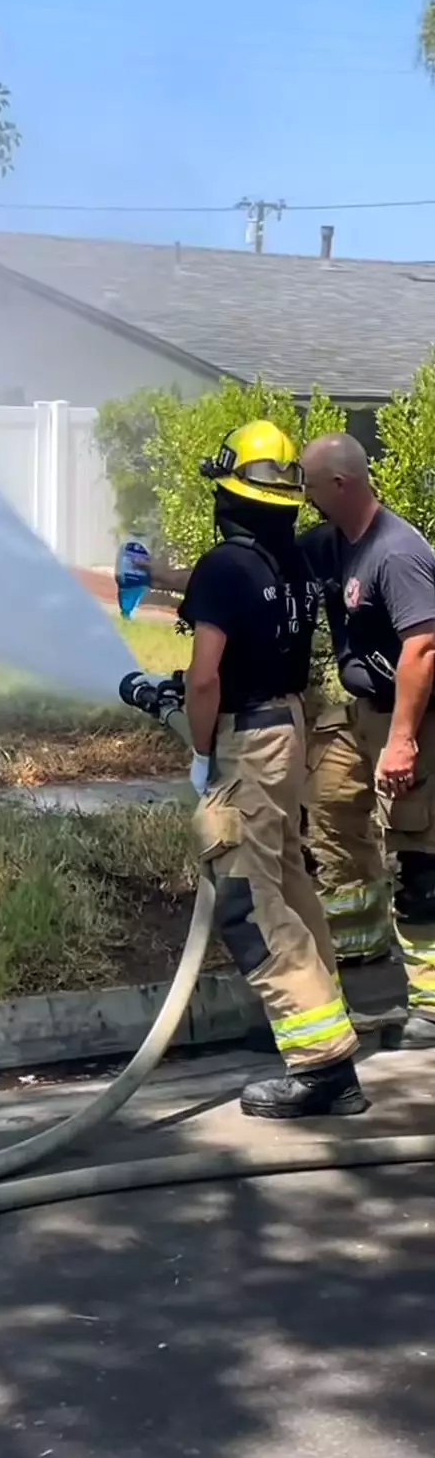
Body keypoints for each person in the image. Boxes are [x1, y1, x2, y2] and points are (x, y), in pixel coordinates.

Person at [178, 420, 364, 1118]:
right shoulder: (289, 559)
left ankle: (322, 1066)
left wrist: (202, 755)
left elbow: (204, 681)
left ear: (227, 489)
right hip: (289, 726)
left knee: (246, 902)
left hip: (247, 740)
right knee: (285, 877)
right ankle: (324, 1016)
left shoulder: (224, 565)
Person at [301, 432, 435, 1049]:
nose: (301, 493)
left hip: (412, 718)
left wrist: (403, 740)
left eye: (307, 481)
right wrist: (162, 574)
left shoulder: (396, 551)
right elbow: (259, 573)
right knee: (329, 813)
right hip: (358, 714)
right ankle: (367, 972)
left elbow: (424, 648)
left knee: (418, 855)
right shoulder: (331, 545)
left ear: (338, 485)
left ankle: (431, 1007)